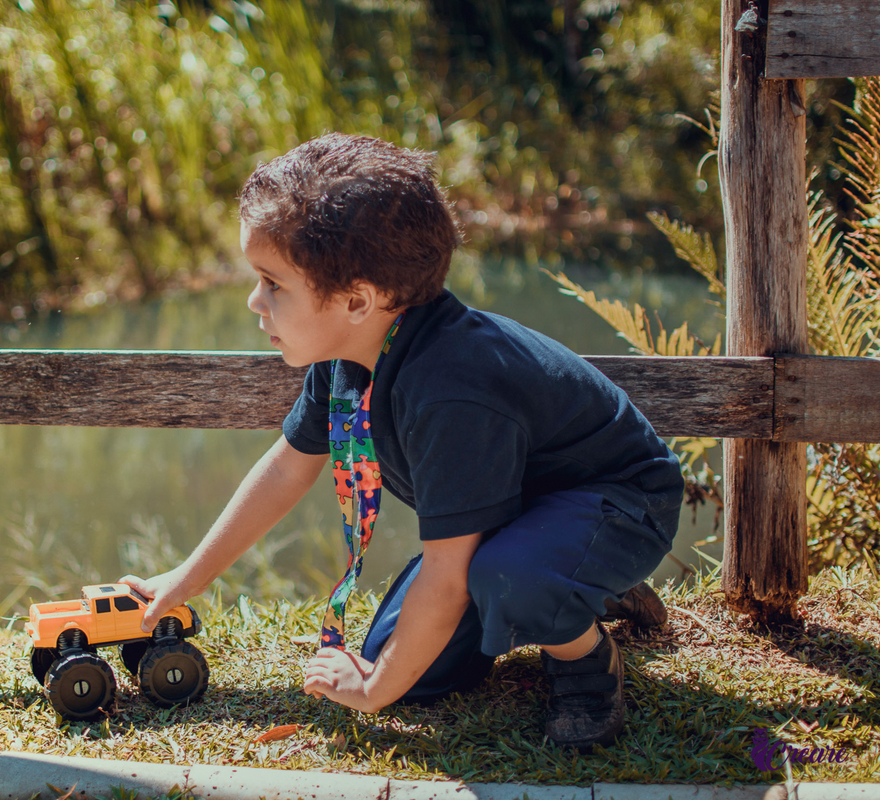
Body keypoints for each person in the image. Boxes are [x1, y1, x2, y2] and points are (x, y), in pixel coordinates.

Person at [120, 132, 683, 751]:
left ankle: (584, 658)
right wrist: (187, 577)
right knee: (418, 673)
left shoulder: (451, 389)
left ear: (357, 299)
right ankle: (567, 577)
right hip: (514, 515)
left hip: (620, 504)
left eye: (272, 282)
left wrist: (371, 692)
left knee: (489, 593)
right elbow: (287, 470)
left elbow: (446, 576)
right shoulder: (349, 358)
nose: (255, 301)